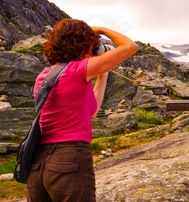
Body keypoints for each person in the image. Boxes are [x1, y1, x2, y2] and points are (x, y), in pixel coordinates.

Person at [27, 19, 138, 202]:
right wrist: (102, 28)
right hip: (70, 157)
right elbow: (130, 46)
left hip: (38, 163)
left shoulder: (44, 75)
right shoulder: (78, 71)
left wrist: (103, 75)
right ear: (84, 45)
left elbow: (91, 113)